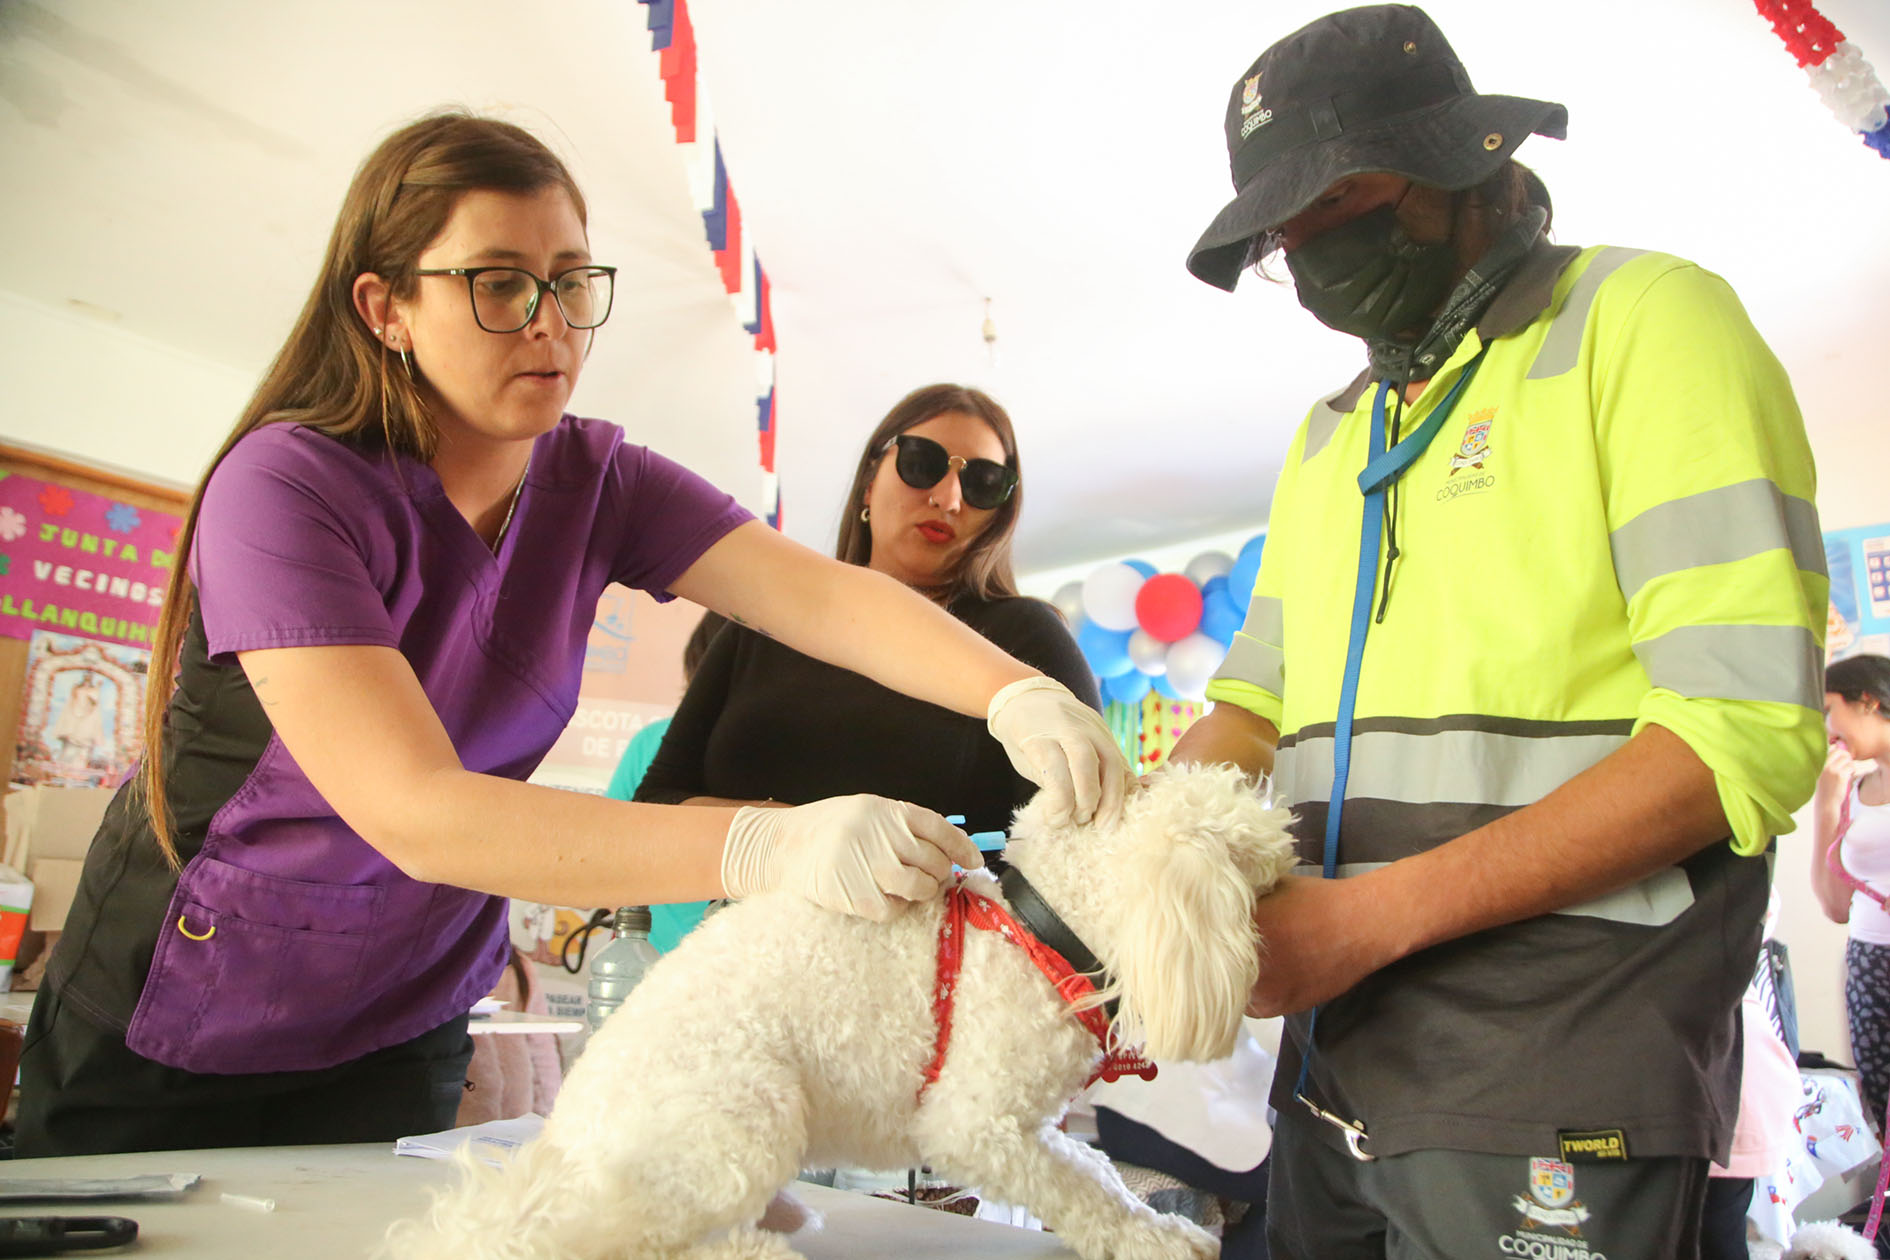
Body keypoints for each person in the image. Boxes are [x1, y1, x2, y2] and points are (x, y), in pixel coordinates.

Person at [16, 113, 1128, 1158]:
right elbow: (419, 811)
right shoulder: (287, 486)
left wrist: (1014, 694)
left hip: (403, 1009)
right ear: (384, 307)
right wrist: (763, 843)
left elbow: (825, 596)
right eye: (499, 283)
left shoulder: (602, 482)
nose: (550, 322)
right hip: (192, 1000)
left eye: (570, 282)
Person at [1172, 7, 1825, 1257]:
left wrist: (1359, 924)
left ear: (1462, 158)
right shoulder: (1332, 436)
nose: (1310, 245)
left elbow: (1740, 733)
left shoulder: (1645, 323)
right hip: (1334, 1070)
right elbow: (1253, 711)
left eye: (1341, 193)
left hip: (1559, 1063)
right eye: (1282, 229)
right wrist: (1124, 866)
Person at [635, 383, 1099, 842]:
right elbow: (655, 805)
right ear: (869, 483)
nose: (949, 498)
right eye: (922, 463)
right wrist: (790, 836)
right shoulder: (761, 625)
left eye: (983, 483)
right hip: (747, 917)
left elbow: (1082, 845)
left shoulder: (1026, 638)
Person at [604, 609, 727, 953]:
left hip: (660, 956)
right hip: (656, 956)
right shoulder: (650, 741)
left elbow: (606, 858)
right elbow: (606, 852)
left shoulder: (651, 740)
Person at [1812, 653, 1890, 1133]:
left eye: (1829, 710)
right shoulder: (1854, 790)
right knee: (1881, 1103)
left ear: (1868, 701)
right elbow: (1835, 906)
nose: (1826, 728)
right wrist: (1828, 803)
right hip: (1869, 963)